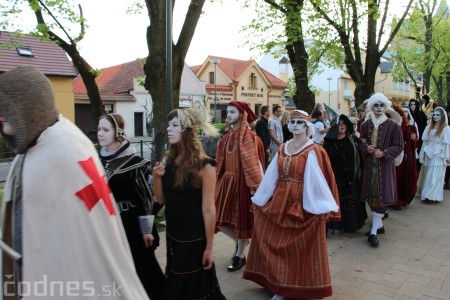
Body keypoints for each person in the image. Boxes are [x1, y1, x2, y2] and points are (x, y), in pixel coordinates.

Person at [0, 65, 149, 299]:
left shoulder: (56, 153)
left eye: (6, 109)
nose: (1, 118)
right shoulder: (61, 140)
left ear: (25, 108)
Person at [243, 110, 340, 300]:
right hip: (279, 198)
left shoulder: (314, 150)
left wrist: (319, 206)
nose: (295, 125)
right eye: (292, 122)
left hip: (301, 201)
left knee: (294, 246)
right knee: (273, 237)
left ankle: (291, 285)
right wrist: (261, 198)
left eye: (300, 122)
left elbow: (318, 180)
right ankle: (277, 282)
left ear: (307, 127)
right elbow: (271, 176)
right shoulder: (282, 149)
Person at [152, 100, 226, 299]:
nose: (169, 129)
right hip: (174, 235)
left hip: (194, 239)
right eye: (168, 125)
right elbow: (160, 200)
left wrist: (210, 248)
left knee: (191, 288)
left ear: (187, 131)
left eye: (175, 125)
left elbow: (209, 210)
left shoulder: (205, 166)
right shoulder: (169, 162)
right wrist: (157, 178)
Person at [97, 113, 166, 299]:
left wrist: (146, 230)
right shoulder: (99, 161)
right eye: (99, 129)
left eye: (105, 130)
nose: (100, 134)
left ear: (118, 132)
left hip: (131, 226)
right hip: (109, 224)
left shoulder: (136, 164)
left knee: (143, 271)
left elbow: (145, 200)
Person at [215, 100, 265, 272]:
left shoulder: (252, 138)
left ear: (242, 115)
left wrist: (257, 189)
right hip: (227, 184)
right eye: (227, 112)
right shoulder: (225, 138)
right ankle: (240, 243)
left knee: (241, 222)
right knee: (219, 221)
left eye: (232, 112)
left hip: (244, 184)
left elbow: (258, 165)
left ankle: (240, 256)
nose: (228, 115)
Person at [359, 93, 403, 247]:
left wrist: (384, 153)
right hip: (369, 167)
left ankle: (373, 233)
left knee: (381, 196)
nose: (378, 108)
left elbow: (399, 146)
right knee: (371, 197)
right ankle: (379, 226)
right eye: (376, 105)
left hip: (384, 167)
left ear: (386, 107)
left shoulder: (394, 126)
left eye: (381, 105)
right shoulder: (365, 125)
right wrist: (366, 147)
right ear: (371, 106)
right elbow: (361, 142)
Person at [323, 114, 367, 233]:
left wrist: (368, 147)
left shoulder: (353, 139)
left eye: (344, 124)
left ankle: (350, 225)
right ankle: (334, 224)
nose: (342, 126)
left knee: (351, 200)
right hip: (335, 177)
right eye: (339, 124)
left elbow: (363, 148)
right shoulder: (329, 142)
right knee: (336, 200)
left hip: (351, 177)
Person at [417, 107, 450, 203]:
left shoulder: (446, 128)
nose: (435, 117)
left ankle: (433, 196)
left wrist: (447, 156)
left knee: (436, 175)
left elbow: (447, 144)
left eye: (438, 115)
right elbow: (425, 142)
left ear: (442, 116)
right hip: (429, 153)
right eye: (434, 115)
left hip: (439, 154)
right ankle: (427, 195)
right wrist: (422, 154)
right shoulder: (429, 127)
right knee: (428, 175)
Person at [391, 107, 418, 210]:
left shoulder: (408, 128)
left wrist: (412, 140)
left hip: (402, 158)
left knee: (400, 179)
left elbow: (413, 144)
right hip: (389, 157)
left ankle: (399, 200)